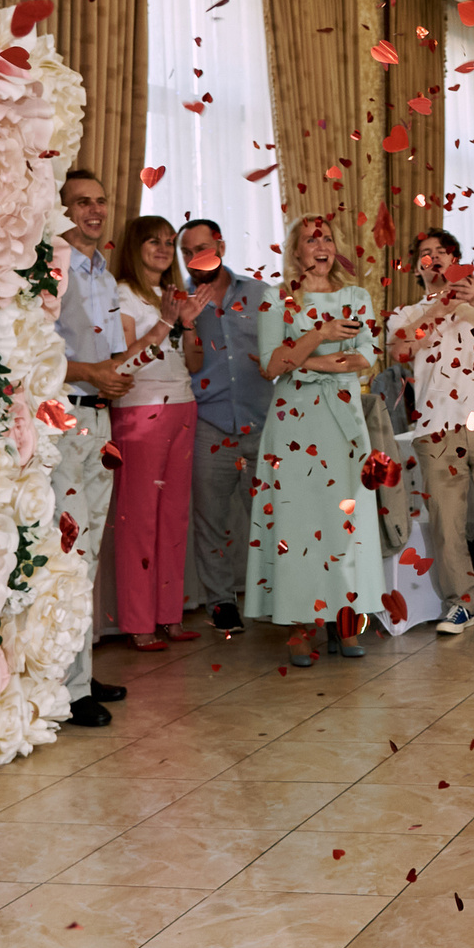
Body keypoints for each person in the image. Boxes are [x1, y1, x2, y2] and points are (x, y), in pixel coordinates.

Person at [249, 214, 385, 665]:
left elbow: (365, 356)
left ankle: (345, 624)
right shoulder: (276, 299)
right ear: (296, 250)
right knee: (299, 522)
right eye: (311, 239)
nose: (321, 245)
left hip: (343, 420)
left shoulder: (356, 297)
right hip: (294, 423)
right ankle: (300, 626)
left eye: (326, 237)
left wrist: (304, 362)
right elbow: (271, 366)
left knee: (345, 522)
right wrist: (321, 335)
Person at [386, 228, 474, 636]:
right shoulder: (405, 314)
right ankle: (459, 603)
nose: (433, 258)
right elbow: (400, 349)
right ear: (417, 268)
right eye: (425, 254)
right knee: (446, 522)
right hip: (434, 425)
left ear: (455, 261)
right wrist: (439, 306)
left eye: (442, 252)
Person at [52, 168, 129, 726]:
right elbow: (34, 355)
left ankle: (80, 671)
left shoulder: (104, 273)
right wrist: (92, 373)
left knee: (91, 550)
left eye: (100, 201)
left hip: (101, 419)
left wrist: (116, 375)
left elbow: (113, 356)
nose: (95, 210)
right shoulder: (50, 271)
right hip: (61, 418)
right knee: (69, 551)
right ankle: (67, 687)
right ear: (62, 211)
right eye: (82, 202)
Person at [105, 214, 202, 651]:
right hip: (140, 410)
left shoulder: (173, 294)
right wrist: (164, 323)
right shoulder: (121, 293)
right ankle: (139, 622)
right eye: (153, 241)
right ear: (135, 247)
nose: (163, 249)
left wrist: (188, 323)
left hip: (182, 405)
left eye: (168, 242)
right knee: (139, 519)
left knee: (174, 517)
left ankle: (169, 616)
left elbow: (195, 363)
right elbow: (122, 363)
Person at [178, 218, 272, 636]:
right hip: (209, 424)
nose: (195, 258)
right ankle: (221, 603)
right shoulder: (179, 302)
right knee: (211, 521)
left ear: (220, 247)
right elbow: (184, 362)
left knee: (269, 518)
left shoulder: (262, 295)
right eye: (187, 252)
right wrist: (186, 322)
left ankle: (275, 596)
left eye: (202, 248)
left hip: (262, 422)